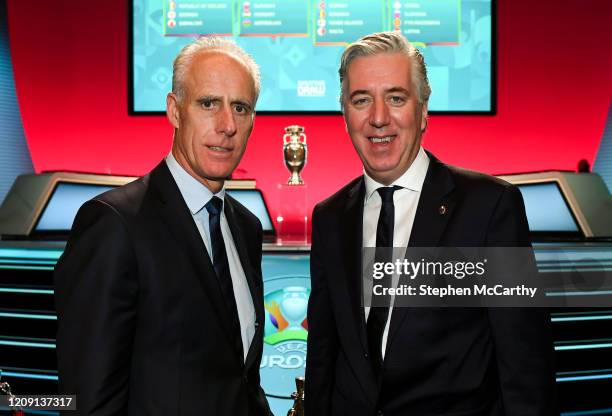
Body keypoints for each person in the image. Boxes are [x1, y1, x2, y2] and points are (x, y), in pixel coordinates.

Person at [305, 31, 556, 415]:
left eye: (396, 98)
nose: (378, 118)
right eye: (361, 100)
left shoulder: (489, 208)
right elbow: (323, 357)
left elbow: (526, 366)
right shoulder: (329, 217)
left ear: (423, 111)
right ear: (344, 113)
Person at [55, 37, 272, 415]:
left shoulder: (246, 227)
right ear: (175, 110)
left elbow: (237, 378)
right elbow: (87, 398)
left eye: (241, 107)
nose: (227, 125)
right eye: (208, 103)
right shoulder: (114, 223)